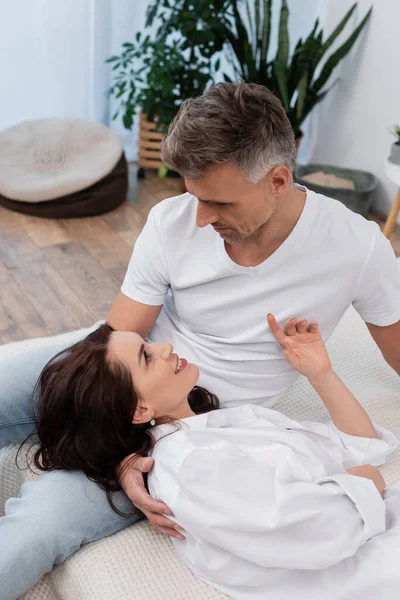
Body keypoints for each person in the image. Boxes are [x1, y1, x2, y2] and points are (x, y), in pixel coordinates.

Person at [0, 81, 399, 598]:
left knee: (38, 527)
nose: (201, 216)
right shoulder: (173, 221)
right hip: (124, 370)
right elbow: (119, 333)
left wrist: (125, 456)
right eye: (193, 196)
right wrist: (107, 435)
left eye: (217, 202)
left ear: (278, 180)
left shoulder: (356, 248)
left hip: (184, 428)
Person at [17, 314, 400, 600]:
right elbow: (310, 529)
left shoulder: (219, 425)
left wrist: (322, 374)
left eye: (150, 344)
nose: (165, 348)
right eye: (147, 357)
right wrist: (363, 483)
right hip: (368, 566)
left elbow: (362, 446)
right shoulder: (189, 469)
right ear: (139, 410)